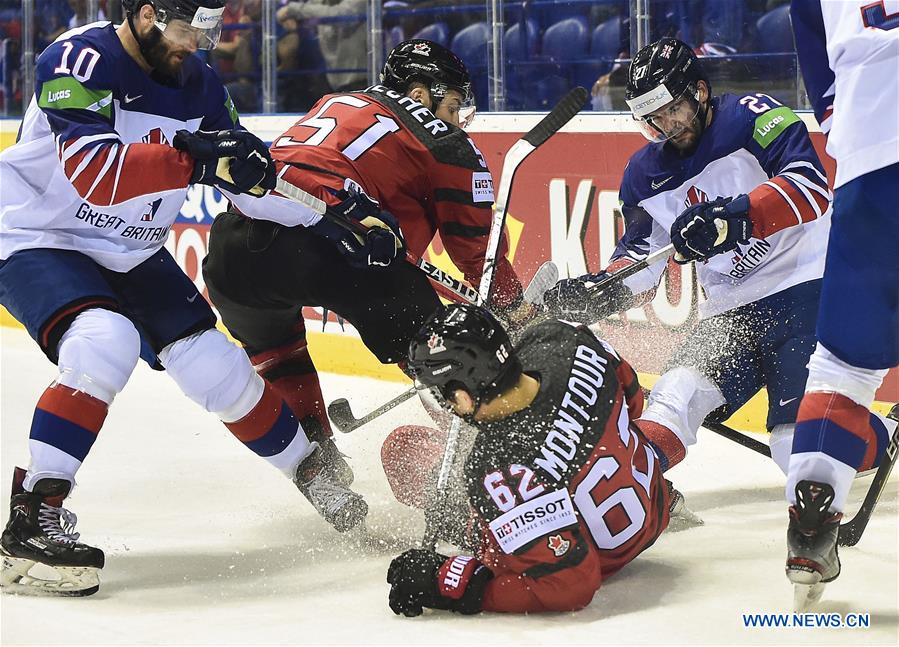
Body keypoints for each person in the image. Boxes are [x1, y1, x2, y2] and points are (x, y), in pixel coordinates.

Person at [0, 0, 367, 597]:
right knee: (103, 339)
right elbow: (94, 173)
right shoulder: (77, 56)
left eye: (209, 31)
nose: (197, 44)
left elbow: (253, 180)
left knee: (214, 365)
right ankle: (29, 522)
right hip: (40, 235)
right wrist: (196, 158)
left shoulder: (201, 84)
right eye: (185, 29)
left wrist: (337, 215)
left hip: (130, 249)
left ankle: (310, 470)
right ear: (145, 13)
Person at [543, 37, 896, 504]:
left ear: (700, 92)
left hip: (805, 289)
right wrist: (603, 290)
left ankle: (886, 430)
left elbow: (811, 188)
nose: (664, 126)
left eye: (671, 110)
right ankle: (643, 496)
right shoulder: (642, 174)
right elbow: (642, 258)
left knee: (794, 449)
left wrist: (731, 220)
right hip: (728, 312)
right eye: (651, 119)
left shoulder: (753, 115)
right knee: (672, 398)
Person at [203, 39, 528, 472]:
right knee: (441, 347)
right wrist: (515, 306)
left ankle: (320, 468)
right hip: (334, 240)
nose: (456, 119)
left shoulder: (339, 100)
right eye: (451, 105)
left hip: (233, 250)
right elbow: (477, 257)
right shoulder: (443, 142)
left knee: (279, 353)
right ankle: (499, 466)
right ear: (419, 95)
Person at [381, 303, 679, 615]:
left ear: (463, 393)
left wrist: (449, 584)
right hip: (653, 503)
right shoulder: (563, 338)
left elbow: (571, 585)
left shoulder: (498, 468)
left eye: (444, 394)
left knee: (401, 449)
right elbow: (633, 399)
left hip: (600, 556)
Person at [782, 0, 899, 609]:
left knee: (844, 367)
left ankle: (812, 520)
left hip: (870, 143)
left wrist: (840, 114)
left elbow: (808, 25)